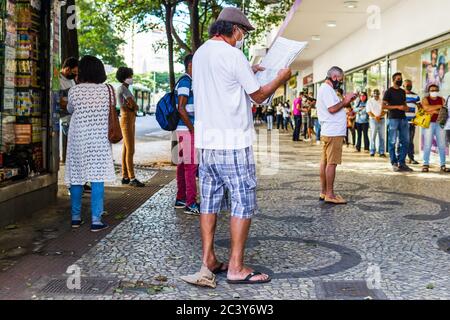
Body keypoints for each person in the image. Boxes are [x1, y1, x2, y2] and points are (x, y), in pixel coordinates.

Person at [191, 7, 291, 285]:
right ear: (233, 29)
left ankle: (208, 259)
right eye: (243, 32)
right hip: (233, 142)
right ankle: (236, 267)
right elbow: (258, 96)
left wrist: (250, 69)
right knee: (242, 202)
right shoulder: (233, 54)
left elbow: (223, 82)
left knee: (209, 202)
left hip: (207, 144)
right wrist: (280, 79)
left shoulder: (201, 54)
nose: (243, 37)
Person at [65, 56, 114, 232]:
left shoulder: (74, 91)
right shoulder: (107, 90)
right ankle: (96, 220)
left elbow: (70, 109)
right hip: (99, 141)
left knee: (77, 179)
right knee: (97, 179)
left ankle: (76, 218)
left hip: (78, 140)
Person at [317, 66, 356, 205]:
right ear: (334, 77)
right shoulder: (327, 90)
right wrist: (346, 101)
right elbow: (332, 109)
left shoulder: (326, 90)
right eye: (340, 79)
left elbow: (334, 108)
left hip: (329, 130)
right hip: (333, 132)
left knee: (326, 162)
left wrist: (345, 104)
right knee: (331, 164)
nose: (340, 82)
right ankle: (330, 194)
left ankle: (324, 192)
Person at [174, 54, 199, 215]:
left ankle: (181, 198)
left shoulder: (187, 81)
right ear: (191, 65)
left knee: (183, 165)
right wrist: (193, 129)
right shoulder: (185, 81)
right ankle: (191, 203)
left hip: (183, 130)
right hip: (186, 129)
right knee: (191, 166)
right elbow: (181, 108)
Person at [116, 67, 145, 187]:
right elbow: (133, 105)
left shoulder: (124, 88)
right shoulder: (123, 88)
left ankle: (125, 176)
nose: (131, 78)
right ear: (124, 77)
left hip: (127, 118)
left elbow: (132, 105)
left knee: (126, 149)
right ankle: (132, 178)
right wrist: (135, 106)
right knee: (131, 149)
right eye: (130, 76)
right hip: (127, 118)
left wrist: (134, 106)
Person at [383, 73, 413, 172]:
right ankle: (394, 162)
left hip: (403, 119)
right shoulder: (389, 91)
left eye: (401, 79)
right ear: (393, 80)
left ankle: (402, 163)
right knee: (392, 142)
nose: (400, 80)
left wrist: (406, 107)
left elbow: (404, 103)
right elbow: (384, 106)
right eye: (398, 79)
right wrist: (397, 107)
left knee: (405, 141)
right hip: (393, 119)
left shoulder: (402, 92)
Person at [421, 84, 450, 173]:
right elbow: (425, 108)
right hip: (429, 124)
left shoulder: (442, 99)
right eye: (432, 90)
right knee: (427, 145)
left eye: (435, 90)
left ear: (438, 90)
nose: (434, 92)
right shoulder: (425, 99)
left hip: (440, 124)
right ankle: (425, 164)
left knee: (442, 145)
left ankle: (443, 165)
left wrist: (432, 110)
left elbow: (444, 110)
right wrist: (438, 107)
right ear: (429, 91)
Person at [60, 57, 79, 164]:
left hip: (74, 118)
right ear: (67, 69)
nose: (75, 74)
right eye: (74, 71)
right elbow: (60, 102)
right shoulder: (58, 80)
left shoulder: (71, 80)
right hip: (65, 119)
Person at [404, 80, 421, 164]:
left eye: (410, 85)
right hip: (402, 122)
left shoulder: (416, 96)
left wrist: (417, 119)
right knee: (401, 140)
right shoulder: (400, 95)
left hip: (411, 122)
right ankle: (401, 158)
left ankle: (411, 158)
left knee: (410, 141)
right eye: (407, 85)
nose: (408, 86)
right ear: (403, 85)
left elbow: (420, 108)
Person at [366, 89, 386, 157]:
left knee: (382, 136)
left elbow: (385, 110)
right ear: (373, 95)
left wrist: (379, 116)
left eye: (377, 95)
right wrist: (375, 117)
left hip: (382, 119)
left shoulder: (382, 101)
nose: (376, 97)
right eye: (375, 95)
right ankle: (372, 151)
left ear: (379, 95)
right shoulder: (369, 101)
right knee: (373, 136)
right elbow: (368, 111)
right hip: (373, 120)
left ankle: (381, 151)